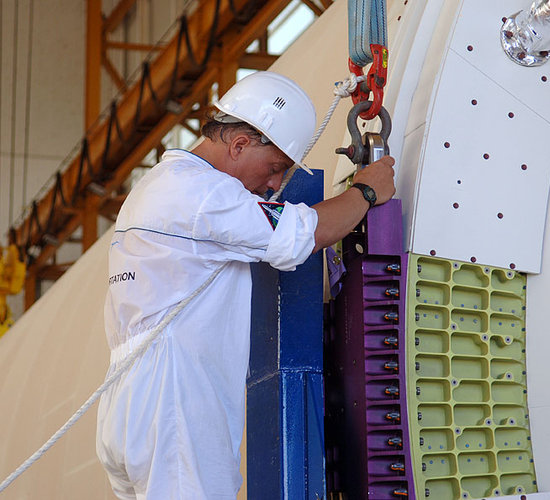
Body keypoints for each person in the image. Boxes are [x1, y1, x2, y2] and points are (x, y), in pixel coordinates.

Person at [95, 71, 395, 499]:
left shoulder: (159, 185)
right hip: (174, 400)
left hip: (129, 404)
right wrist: (365, 192)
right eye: (274, 169)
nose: (275, 185)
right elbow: (300, 236)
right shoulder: (202, 194)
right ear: (239, 144)